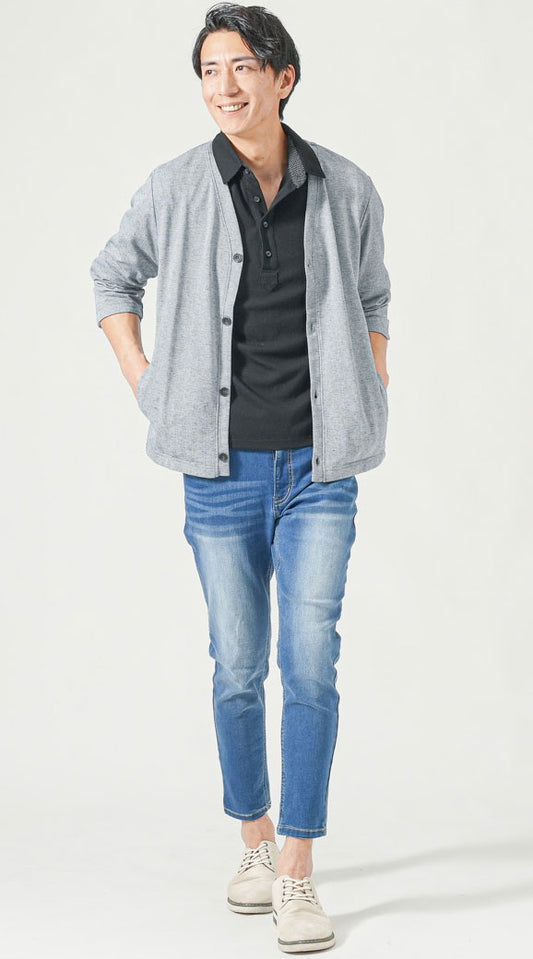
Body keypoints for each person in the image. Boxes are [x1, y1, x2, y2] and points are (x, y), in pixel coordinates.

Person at [89, 3, 391, 952]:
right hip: (218, 471)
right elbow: (110, 277)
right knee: (235, 664)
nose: (224, 85)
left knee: (309, 660)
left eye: (242, 67)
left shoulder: (345, 187)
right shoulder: (175, 187)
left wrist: (369, 386)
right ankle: (254, 841)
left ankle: (297, 866)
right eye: (209, 70)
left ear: (282, 78)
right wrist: (148, 385)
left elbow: (374, 295)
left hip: (319, 469)